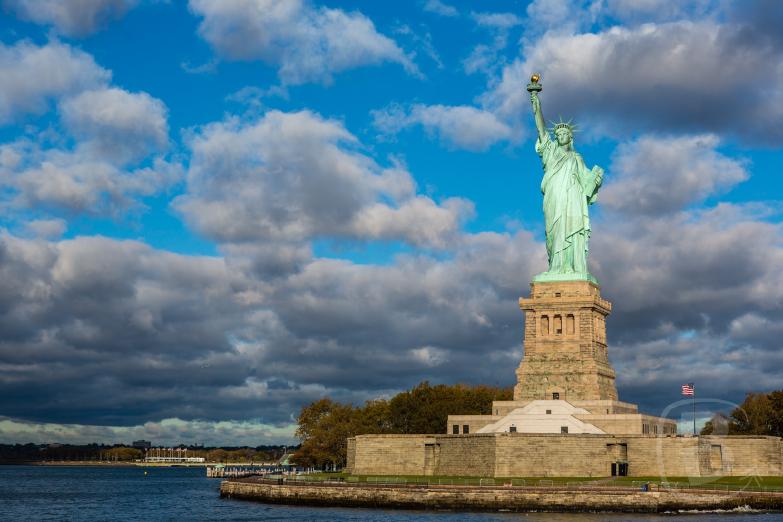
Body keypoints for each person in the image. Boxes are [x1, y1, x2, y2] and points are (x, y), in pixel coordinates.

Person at [530, 90, 603, 279]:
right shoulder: (551, 151)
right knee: (554, 231)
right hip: (554, 196)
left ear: (570, 137)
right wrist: (536, 105)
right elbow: (541, 129)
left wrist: (595, 179)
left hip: (572, 199)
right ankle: (556, 267)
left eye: (565, 133)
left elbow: (587, 183)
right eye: (558, 133)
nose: (561, 135)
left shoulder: (577, 158)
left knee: (571, 228)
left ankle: (571, 267)